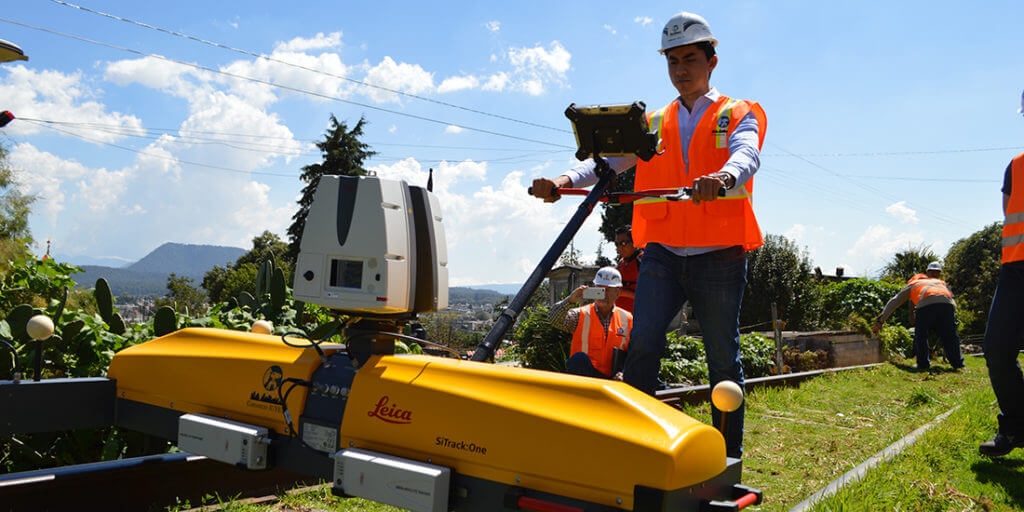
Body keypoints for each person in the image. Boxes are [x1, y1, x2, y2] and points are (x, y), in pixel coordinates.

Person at [530, 11, 766, 458]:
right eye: (672, 61)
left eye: (690, 59)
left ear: (712, 61)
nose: (680, 70)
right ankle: (635, 449)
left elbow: (746, 154)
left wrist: (723, 177)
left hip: (719, 256)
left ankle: (725, 457)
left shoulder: (739, 112)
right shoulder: (653, 123)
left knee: (723, 358)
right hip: (661, 254)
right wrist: (563, 180)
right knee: (642, 346)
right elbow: (604, 163)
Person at [978, 90, 1024, 457]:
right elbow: (1009, 215)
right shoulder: (1016, 166)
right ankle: (1016, 426)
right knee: (996, 348)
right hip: (1015, 270)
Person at [871, 262, 965, 371]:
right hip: (947, 305)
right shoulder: (940, 283)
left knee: (921, 335)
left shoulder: (915, 283)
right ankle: (958, 365)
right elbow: (951, 297)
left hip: (926, 305)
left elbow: (895, 301)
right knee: (951, 336)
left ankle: (923, 365)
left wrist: (881, 320)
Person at [548, 267, 633, 379]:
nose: (603, 294)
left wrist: (624, 372)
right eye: (599, 289)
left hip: (613, 381)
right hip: (585, 379)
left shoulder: (627, 319)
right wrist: (570, 300)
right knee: (579, 359)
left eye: (608, 289)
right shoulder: (580, 314)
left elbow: (633, 353)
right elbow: (553, 319)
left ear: (618, 292)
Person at [613, 226, 643, 313]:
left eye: (623, 243)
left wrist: (624, 293)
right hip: (620, 319)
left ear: (634, 241)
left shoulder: (643, 261)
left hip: (638, 319)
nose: (619, 248)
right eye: (617, 244)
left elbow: (652, 295)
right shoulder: (621, 263)